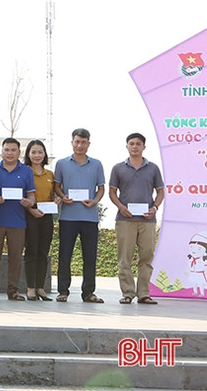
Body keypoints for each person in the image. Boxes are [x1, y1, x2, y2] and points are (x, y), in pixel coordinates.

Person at [108, 132, 164, 305]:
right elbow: (112, 192)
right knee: (124, 258)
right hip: (125, 219)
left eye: (138, 144)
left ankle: (143, 294)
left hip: (147, 220)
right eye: (131, 143)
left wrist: (154, 208)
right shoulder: (118, 168)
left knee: (146, 257)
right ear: (127, 146)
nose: (134, 146)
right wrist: (121, 207)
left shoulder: (153, 168)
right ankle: (127, 293)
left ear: (143, 147)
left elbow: (161, 191)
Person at [54, 128, 105, 303]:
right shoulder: (61, 163)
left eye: (84, 142)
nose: (80, 145)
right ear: (72, 143)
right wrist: (63, 197)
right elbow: (57, 186)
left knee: (89, 257)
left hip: (90, 217)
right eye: (77, 141)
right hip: (68, 217)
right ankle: (63, 291)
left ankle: (88, 292)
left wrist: (94, 201)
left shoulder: (97, 164)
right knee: (65, 255)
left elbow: (101, 189)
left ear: (88, 144)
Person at [0, 138, 36, 301]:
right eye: (6, 149)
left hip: (18, 221)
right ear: (2, 151)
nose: (10, 153)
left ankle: (13, 290)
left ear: (19, 152)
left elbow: (31, 195)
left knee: (15, 258)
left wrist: (29, 203)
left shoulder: (26, 171)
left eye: (13, 150)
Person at [23, 139, 58, 301]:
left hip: (47, 214)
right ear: (28, 154)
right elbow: (22, 196)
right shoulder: (24, 171)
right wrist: (31, 209)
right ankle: (30, 288)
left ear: (45, 155)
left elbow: (53, 194)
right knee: (31, 251)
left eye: (40, 152)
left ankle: (40, 288)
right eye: (33, 152)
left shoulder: (50, 174)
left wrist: (57, 199)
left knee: (43, 252)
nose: (37, 155)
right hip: (30, 212)